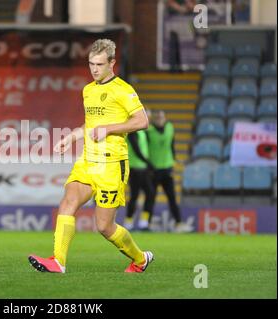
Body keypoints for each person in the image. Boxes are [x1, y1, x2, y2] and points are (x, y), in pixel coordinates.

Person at [28, 39, 154, 273]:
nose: (94, 69)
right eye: (90, 64)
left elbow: (142, 121)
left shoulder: (123, 90)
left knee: (105, 227)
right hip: (88, 160)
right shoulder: (88, 90)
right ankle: (58, 261)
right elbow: (91, 125)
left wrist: (108, 129)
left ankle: (140, 259)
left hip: (112, 165)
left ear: (112, 63)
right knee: (68, 201)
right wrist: (72, 137)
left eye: (99, 64)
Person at [146, 110, 192, 233]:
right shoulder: (148, 131)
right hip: (154, 170)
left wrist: (174, 160)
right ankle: (147, 224)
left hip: (167, 169)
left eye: (162, 117)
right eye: (157, 117)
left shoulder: (170, 128)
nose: (160, 119)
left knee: (172, 198)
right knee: (151, 198)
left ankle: (178, 223)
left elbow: (172, 145)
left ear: (165, 118)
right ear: (154, 119)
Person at [124, 111, 155, 231]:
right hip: (135, 168)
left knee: (149, 193)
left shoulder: (142, 131)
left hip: (142, 168)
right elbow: (136, 149)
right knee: (135, 195)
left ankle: (142, 222)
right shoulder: (133, 131)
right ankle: (129, 222)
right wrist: (148, 163)